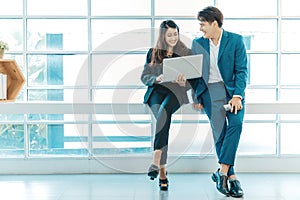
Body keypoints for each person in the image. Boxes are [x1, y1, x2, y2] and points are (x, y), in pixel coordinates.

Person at [189, 6, 248, 198]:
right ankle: (231, 177)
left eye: (203, 24)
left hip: (232, 92)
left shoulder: (236, 40)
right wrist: (196, 96)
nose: (201, 29)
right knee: (219, 132)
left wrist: (237, 95)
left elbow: (241, 71)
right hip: (210, 92)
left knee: (236, 124)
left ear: (214, 23)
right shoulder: (198, 44)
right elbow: (194, 74)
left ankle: (222, 172)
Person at [140, 20, 191, 191]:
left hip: (175, 93)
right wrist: (156, 79)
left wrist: (184, 83)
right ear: (163, 36)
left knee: (163, 115)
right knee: (164, 120)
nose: (173, 38)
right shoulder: (153, 52)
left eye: (175, 34)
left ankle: (156, 161)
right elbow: (144, 76)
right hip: (156, 92)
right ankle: (162, 172)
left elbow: (193, 81)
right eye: (169, 35)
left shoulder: (185, 52)